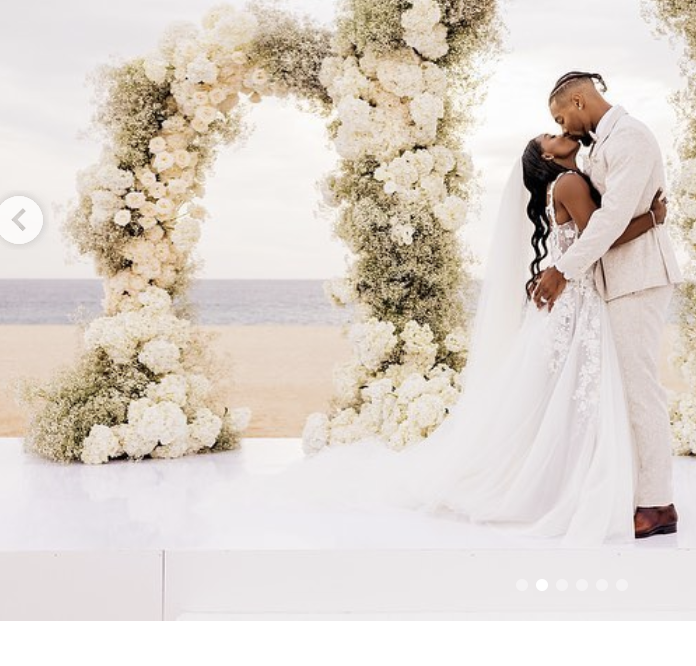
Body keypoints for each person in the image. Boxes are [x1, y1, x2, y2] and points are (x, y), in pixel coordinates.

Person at [192, 131, 668, 548]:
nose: (559, 133)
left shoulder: (571, 179)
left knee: (563, 400)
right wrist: (652, 218)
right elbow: (597, 238)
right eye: (550, 136)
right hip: (578, 306)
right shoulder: (567, 182)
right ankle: (571, 486)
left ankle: (570, 480)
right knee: (572, 399)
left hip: (576, 305)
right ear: (546, 159)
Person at [530, 71, 684, 539]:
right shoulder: (602, 146)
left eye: (561, 116)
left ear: (579, 100)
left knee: (642, 391)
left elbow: (612, 218)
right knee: (626, 392)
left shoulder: (631, 137)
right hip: (615, 282)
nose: (564, 127)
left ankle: (657, 505)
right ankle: (632, 491)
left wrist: (562, 269)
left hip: (637, 278)